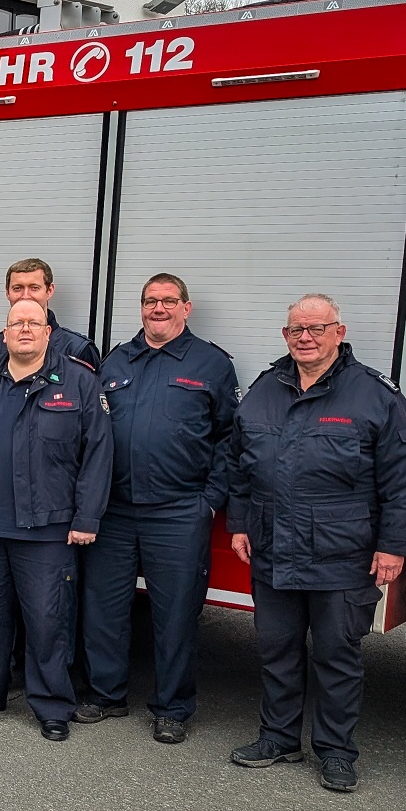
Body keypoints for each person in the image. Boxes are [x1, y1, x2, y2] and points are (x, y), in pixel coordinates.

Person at [226, 294, 406, 793]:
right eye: (296, 330)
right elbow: (240, 465)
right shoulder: (265, 389)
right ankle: (278, 738)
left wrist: (393, 545)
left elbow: (403, 478)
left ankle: (336, 752)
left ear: (340, 331)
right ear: (285, 335)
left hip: (342, 552)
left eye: (317, 328)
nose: (305, 337)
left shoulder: (373, 394)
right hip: (273, 548)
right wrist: (240, 523)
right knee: (277, 650)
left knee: (336, 655)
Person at [77, 274, 239, 743]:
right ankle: (106, 694)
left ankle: (172, 707)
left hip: (178, 510)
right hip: (115, 510)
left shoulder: (211, 363)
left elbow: (231, 438)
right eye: (151, 301)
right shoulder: (115, 360)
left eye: (169, 301)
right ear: (141, 307)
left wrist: (209, 501)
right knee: (103, 609)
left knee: (175, 615)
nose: (159, 308)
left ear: (187, 308)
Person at [0, 299, 111, 742]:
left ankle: (52, 704)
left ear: (49, 330)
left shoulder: (78, 381)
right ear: (5, 330)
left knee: (47, 621)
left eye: (34, 322)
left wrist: (86, 516)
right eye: (17, 322)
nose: (25, 329)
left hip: (48, 530)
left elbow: (98, 455)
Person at [0, 258, 101, 369]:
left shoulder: (78, 350)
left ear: (49, 290)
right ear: (7, 293)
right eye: (17, 288)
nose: (25, 296)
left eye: (34, 288)